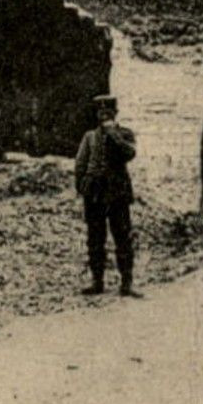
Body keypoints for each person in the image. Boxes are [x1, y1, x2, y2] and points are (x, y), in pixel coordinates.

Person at [74, 94, 140, 297]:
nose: (104, 116)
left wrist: (113, 133)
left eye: (108, 112)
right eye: (101, 113)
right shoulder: (89, 137)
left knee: (123, 238)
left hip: (117, 193)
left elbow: (129, 153)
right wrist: (82, 187)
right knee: (95, 239)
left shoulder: (125, 134)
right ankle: (97, 282)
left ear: (115, 113)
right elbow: (80, 164)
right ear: (96, 115)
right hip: (94, 194)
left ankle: (126, 283)